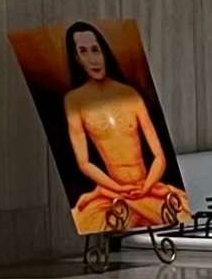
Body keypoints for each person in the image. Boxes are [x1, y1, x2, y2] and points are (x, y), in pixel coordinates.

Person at [55, 21, 184, 233]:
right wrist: (118, 189)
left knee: (178, 216)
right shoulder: (74, 100)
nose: (92, 59)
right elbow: (84, 162)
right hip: (112, 192)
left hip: (149, 187)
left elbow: (159, 156)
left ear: (105, 52)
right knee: (100, 220)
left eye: (96, 50)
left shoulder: (129, 94)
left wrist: (146, 187)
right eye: (83, 52)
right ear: (77, 58)